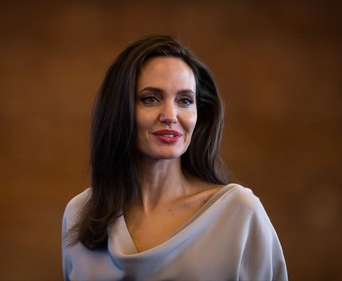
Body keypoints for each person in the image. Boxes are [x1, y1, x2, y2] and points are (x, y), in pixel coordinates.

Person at [62, 34, 288, 281]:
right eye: (151, 98)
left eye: (185, 100)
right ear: (120, 109)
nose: (170, 115)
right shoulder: (80, 212)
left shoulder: (240, 212)